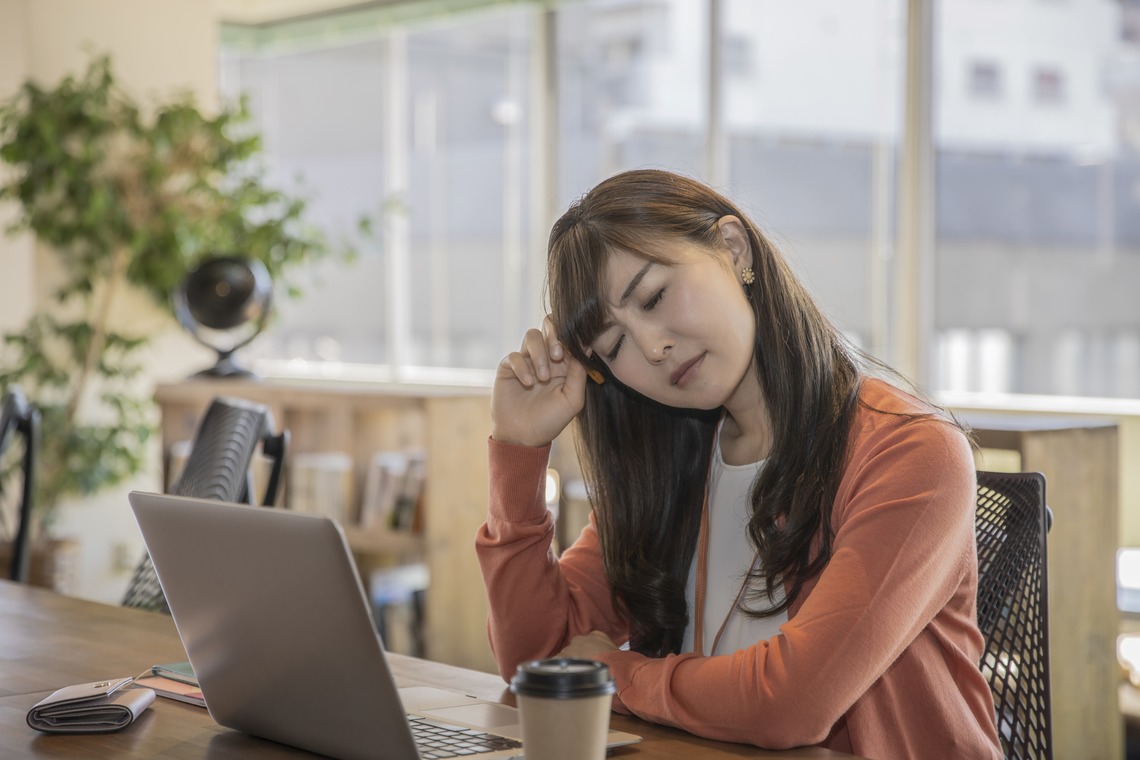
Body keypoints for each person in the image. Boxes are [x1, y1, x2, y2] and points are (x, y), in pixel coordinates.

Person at [475, 169, 1002, 760]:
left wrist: (613, 673)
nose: (652, 347)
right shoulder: (673, 461)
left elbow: (793, 701)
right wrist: (518, 454)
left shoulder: (909, 451)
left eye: (653, 297)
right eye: (614, 346)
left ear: (734, 248)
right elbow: (538, 660)